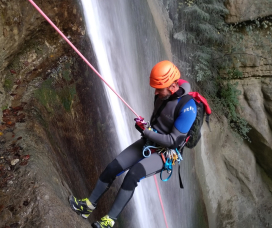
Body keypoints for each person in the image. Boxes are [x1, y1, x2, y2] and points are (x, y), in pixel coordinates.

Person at [69, 60, 197, 228]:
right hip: (149, 141)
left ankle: (109, 221)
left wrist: (147, 132)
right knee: (113, 168)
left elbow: (173, 141)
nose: (156, 92)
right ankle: (87, 206)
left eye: (159, 89)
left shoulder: (188, 107)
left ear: (172, 87)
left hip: (165, 154)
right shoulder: (163, 93)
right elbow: (159, 121)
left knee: (133, 175)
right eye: (155, 88)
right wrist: (145, 128)